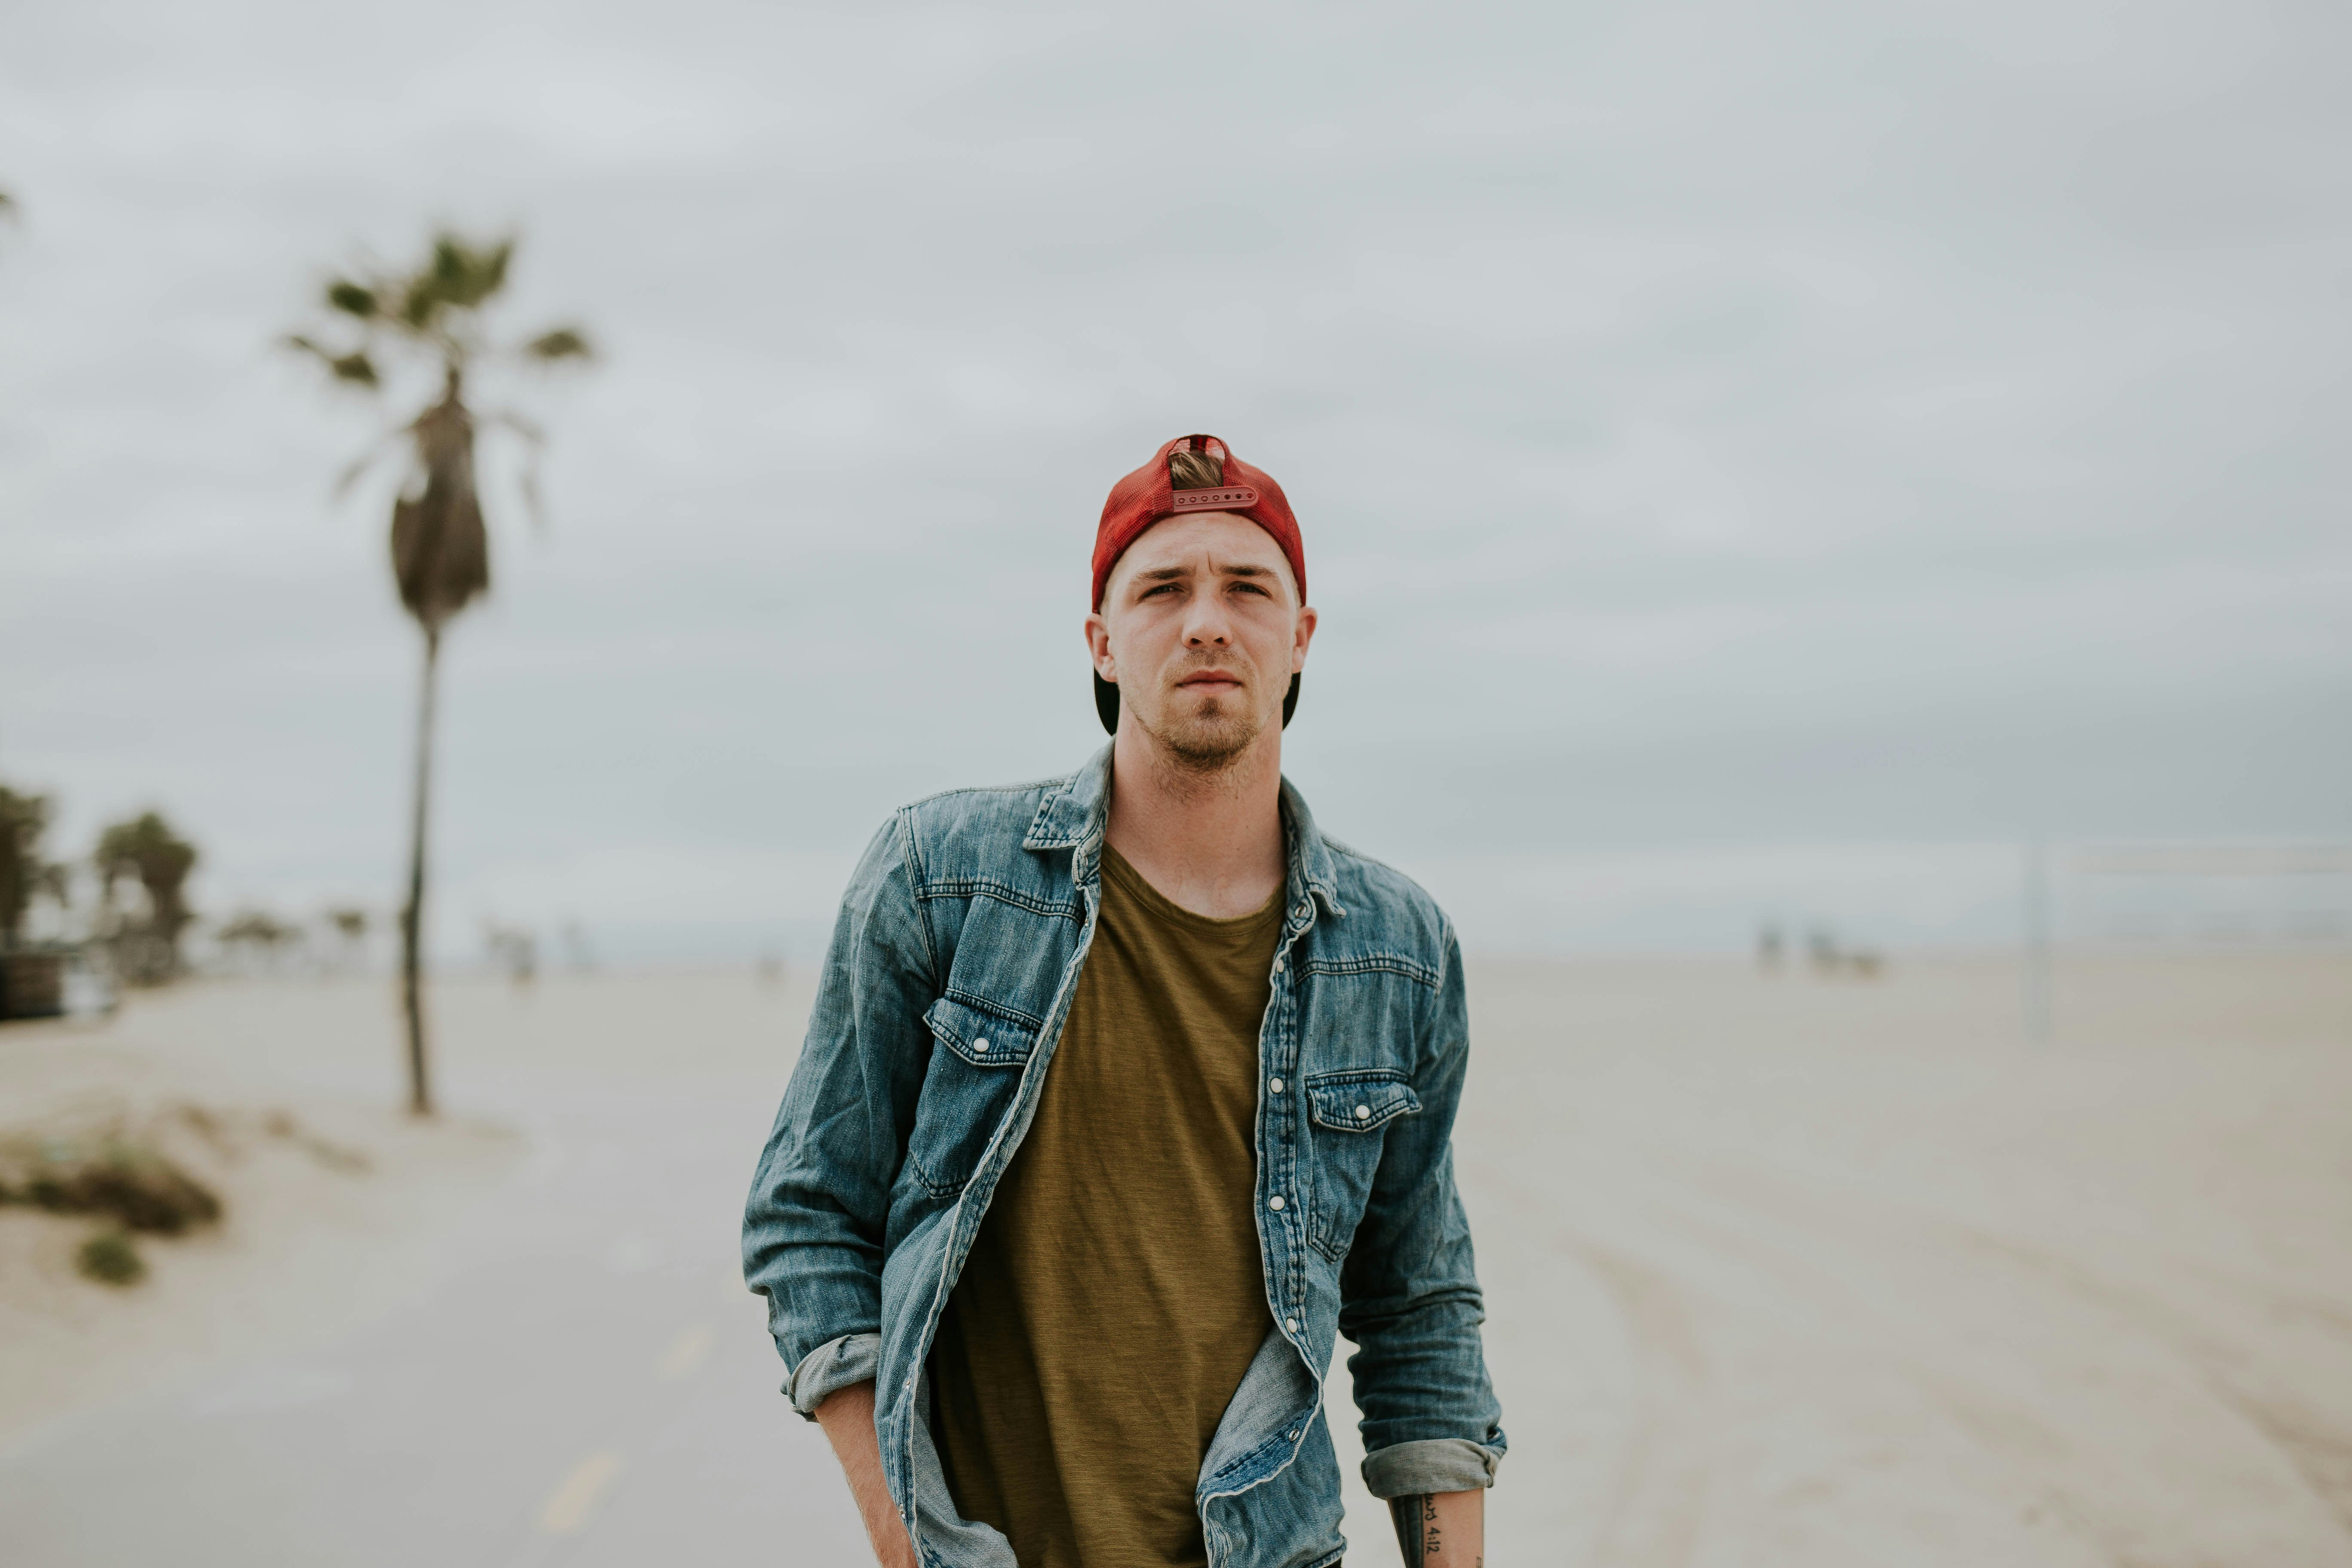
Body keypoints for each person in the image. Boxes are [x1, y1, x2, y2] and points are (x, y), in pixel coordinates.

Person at [743, 434, 1504, 1568]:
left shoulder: (1398, 952)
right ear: (1102, 645)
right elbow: (810, 1217)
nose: (1207, 620)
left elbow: (1419, 1307)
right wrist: (908, 1545)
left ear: (1299, 639)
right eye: (1163, 589)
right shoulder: (942, 877)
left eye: (1248, 587)